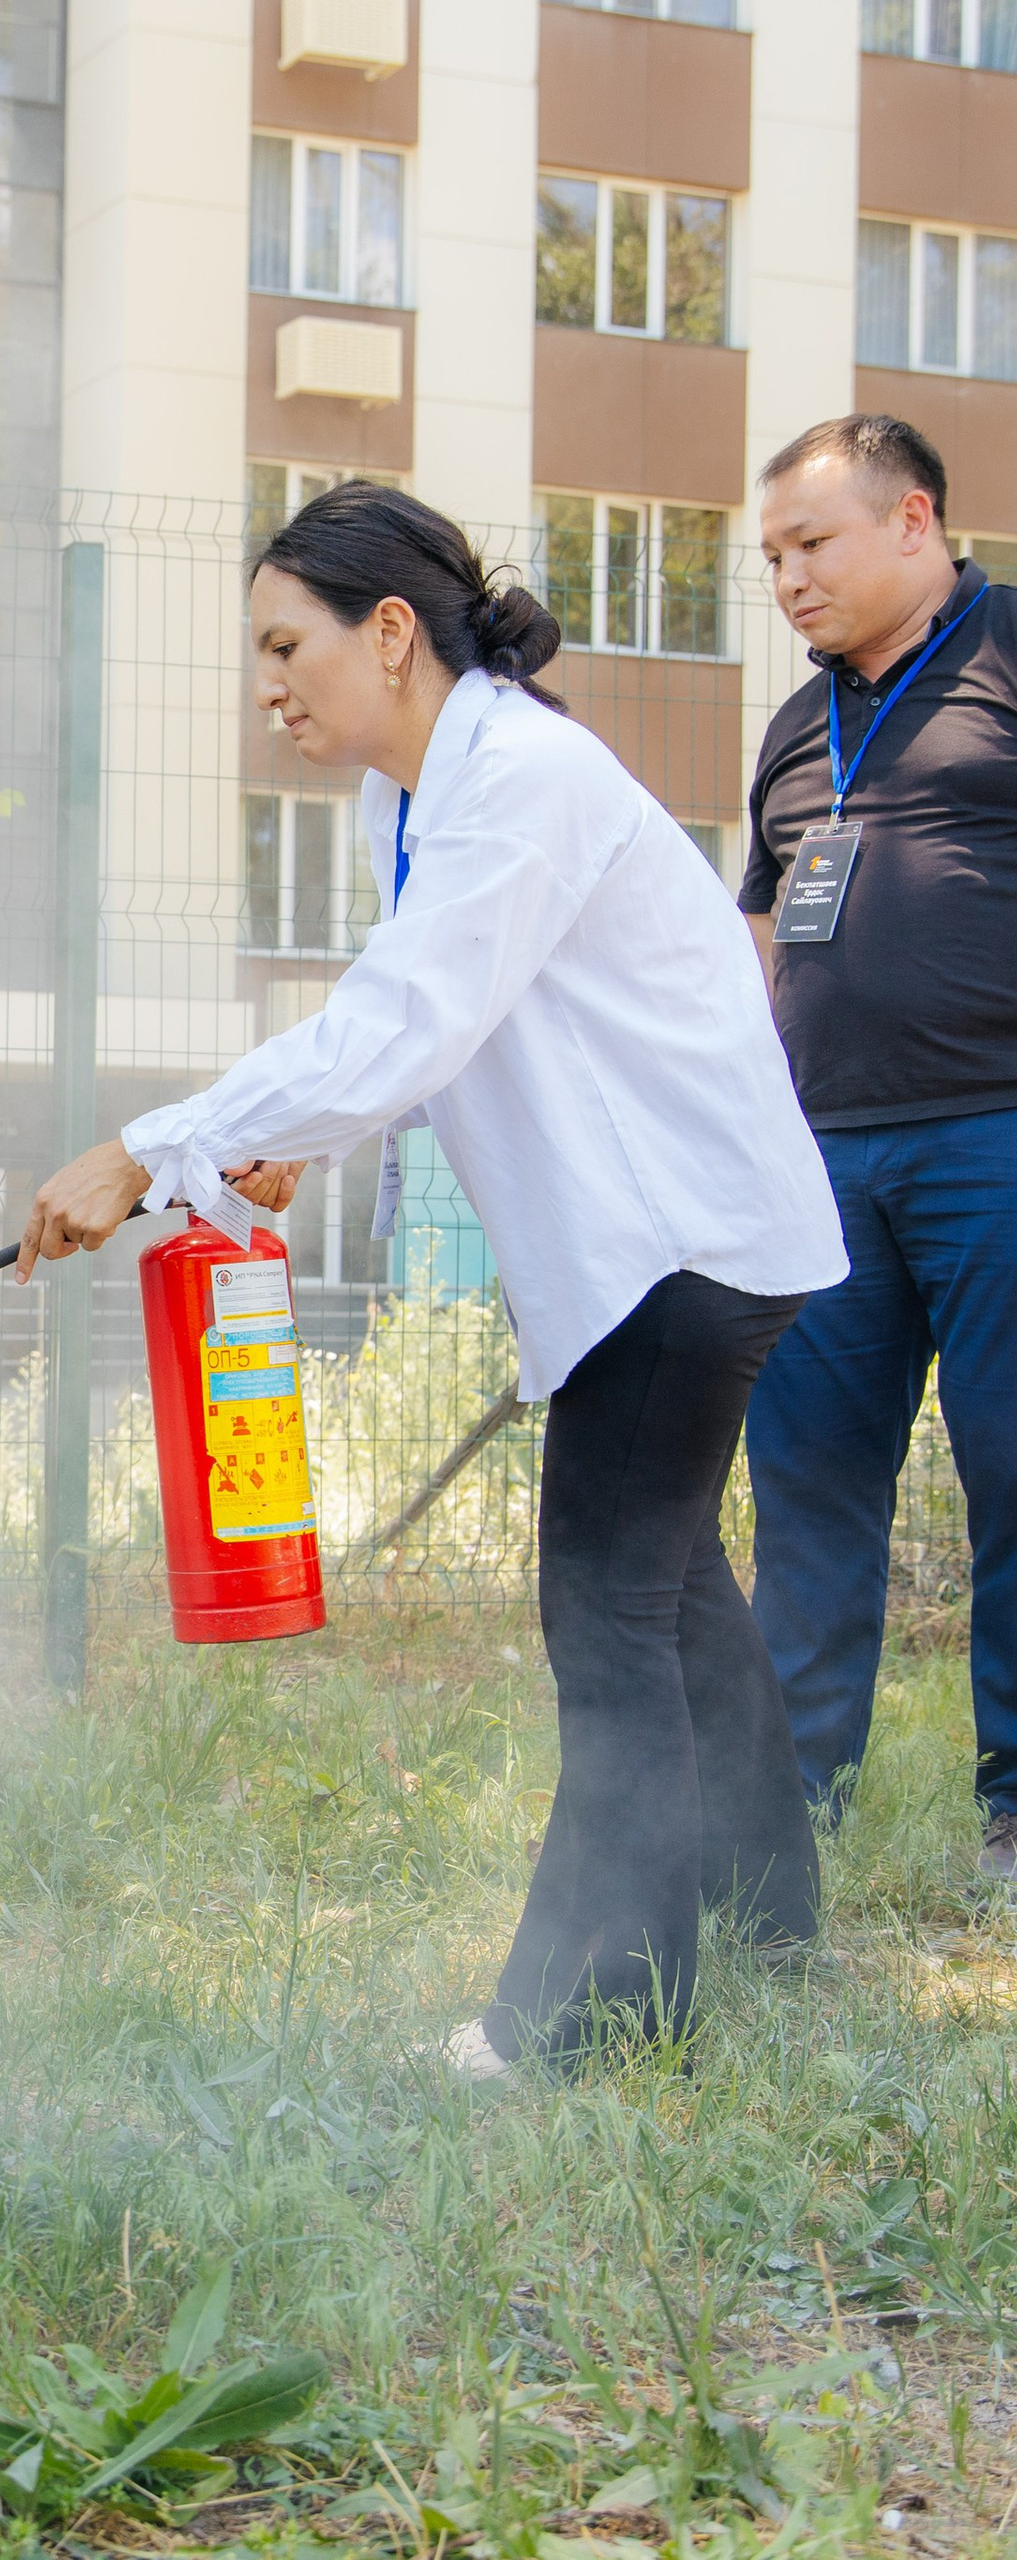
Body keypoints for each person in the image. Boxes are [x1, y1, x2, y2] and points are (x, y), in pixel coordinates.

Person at [17, 482, 845, 2074]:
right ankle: (762, 1932)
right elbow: (433, 1016)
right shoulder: (450, 790)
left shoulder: (516, 778)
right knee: (670, 1597)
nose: (270, 685)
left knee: (607, 1608)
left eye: (287, 644)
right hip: (686, 1235)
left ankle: (584, 2019)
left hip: (676, 1242)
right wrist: (293, 1144)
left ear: (389, 632)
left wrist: (150, 1148)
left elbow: (407, 1021)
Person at [739, 415, 1017, 1875]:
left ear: (915, 522)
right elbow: (761, 937)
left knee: (1015, 1478)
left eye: (813, 544)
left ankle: (1014, 1814)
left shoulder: (1010, 652)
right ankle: (796, 1816)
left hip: (998, 1140)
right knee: (807, 1487)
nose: (786, 578)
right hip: (823, 1160)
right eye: (772, 554)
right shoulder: (795, 727)